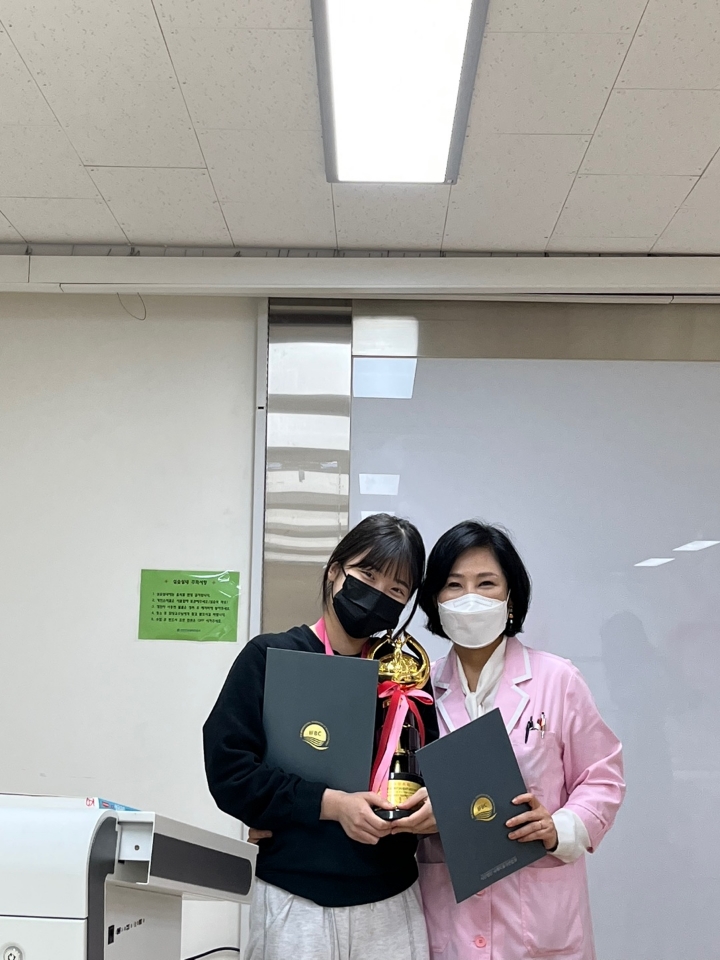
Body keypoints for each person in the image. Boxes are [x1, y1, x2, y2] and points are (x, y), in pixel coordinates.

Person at [203, 513, 438, 960]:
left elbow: (428, 772)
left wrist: (434, 807)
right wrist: (331, 805)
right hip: (294, 898)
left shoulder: (405, 679)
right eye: (367, 574)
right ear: (334, 570)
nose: (377, 594)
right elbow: (230, 772)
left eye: (396, 590)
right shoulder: (270, 657)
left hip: (392, 902)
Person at [409, 520, 625, 960]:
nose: (470, 597)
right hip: (449, 912)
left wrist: (560, 828)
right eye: (454, 584)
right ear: (435, 600)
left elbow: (602, 778)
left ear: (511, 598)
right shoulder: (418, 690)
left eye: (486, 583)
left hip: (539, 913)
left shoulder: (557, 680)